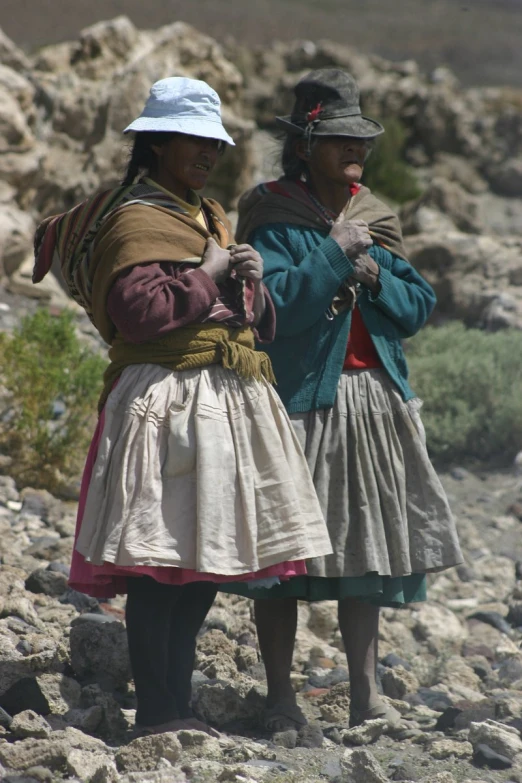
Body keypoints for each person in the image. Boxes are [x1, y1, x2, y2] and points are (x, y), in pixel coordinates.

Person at [33, 76, 332, 736]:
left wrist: (250, 281)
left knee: (198, 565)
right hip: (165, 399)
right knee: (155, 562)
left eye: (214, 143)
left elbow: (247, 318)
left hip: (226, 397)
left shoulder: (210, 215)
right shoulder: (135, 217)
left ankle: (179, 705)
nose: (207, 153)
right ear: (158, 143)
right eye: (194, 141)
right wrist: (212, 272)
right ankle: (159, 710)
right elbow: (137, 313)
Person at [224, 69, 463, 731]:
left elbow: (416, 307)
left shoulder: (373, 216)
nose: (353, 150)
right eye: (336, 139)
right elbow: (281, 307)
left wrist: (374, 270)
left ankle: (368, 696)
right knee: (282, 559)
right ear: (304, 145)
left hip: (371, 399)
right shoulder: (272, 215)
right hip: (298, 400)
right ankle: (279, 698)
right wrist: (332, 255)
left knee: (367, 550)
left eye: (359, 139)